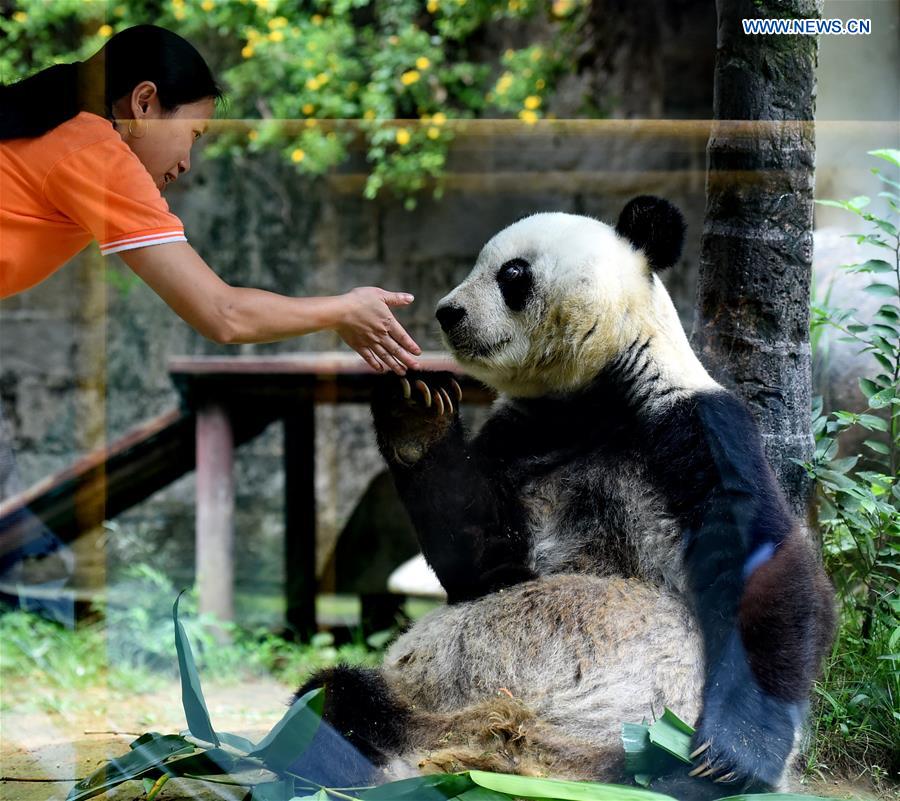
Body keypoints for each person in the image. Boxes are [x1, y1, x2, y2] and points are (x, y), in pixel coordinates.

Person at [0, 24, 421, 376]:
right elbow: (223, 314)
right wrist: (343, 309)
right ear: (143, 103)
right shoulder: (94, 148)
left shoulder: (63, 132)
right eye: (192, 135)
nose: (186, 162)